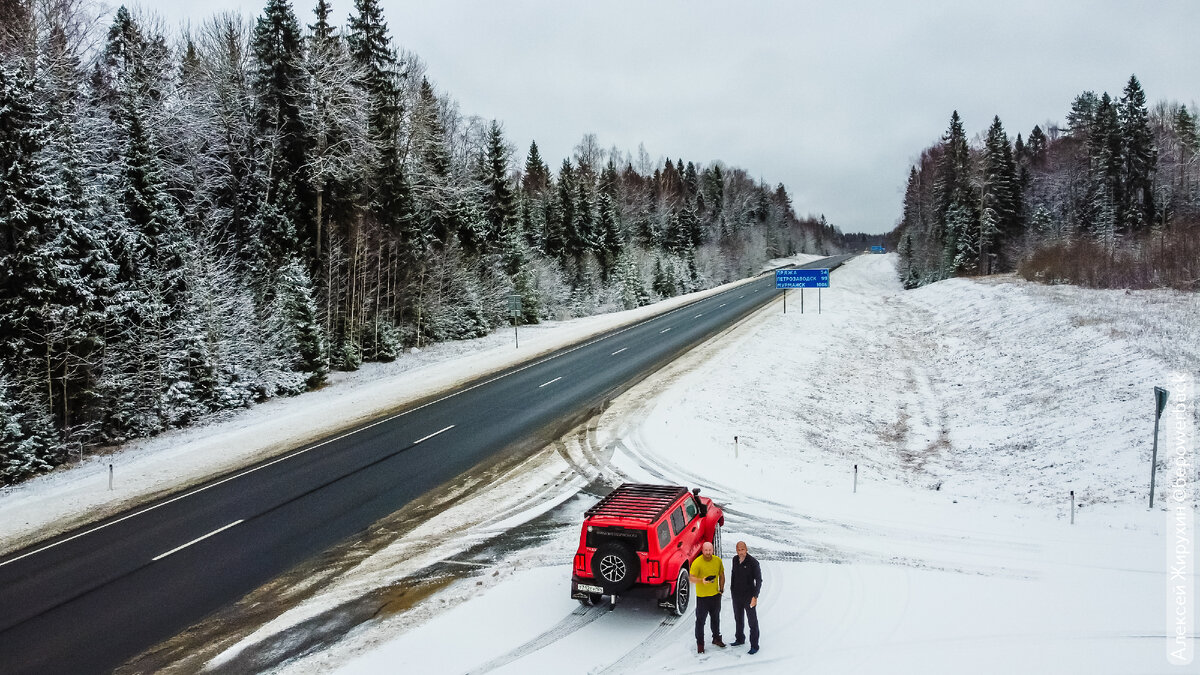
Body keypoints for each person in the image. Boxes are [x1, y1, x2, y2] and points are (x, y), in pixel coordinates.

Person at [689, 541, 726, 653]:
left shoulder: (717, 561)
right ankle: (700, 644)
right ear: (702, 550)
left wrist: (721, 589)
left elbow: (722, 575)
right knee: (700, 621)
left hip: (715, 596)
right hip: (702, 598)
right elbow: (691, 578)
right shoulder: (697, 563)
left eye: (710, 550)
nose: (708, 552)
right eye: (706, 550)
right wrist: (702, 581)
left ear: (713, 550)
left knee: (715, 619)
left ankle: (716, 638)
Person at [730, 541, 762, 654]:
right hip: (737, 596)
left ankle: (754, 645)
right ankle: (739, 639)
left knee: (752, 622)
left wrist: (755, 596)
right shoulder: (734, 559)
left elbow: (759, 580)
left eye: (742, 549)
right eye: (738, 550)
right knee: (738, 619)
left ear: (746, 549)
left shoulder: (753, 562)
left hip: (749, 596)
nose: (741, 552)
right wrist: (732, 590)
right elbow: (733, 575)